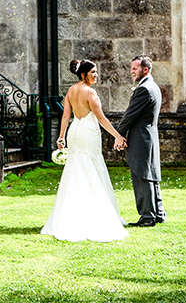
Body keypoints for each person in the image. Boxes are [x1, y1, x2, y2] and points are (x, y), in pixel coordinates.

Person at [41, 59, 128, 242]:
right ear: (83, 74)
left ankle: (71, 215)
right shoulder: (90, 93)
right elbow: (102, 119)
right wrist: (117, 135)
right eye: (93, 72)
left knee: (75, 170)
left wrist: (61, 136)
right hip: (88, 133)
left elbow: (66, 115)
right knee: (91, 169)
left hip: (74, 131)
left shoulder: (71, 91)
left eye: (96, 72)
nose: (96, 75)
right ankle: (94, 216)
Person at [115, 55, 167, 227]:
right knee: (151, 176)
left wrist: (118, 135)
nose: (131, 71)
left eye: (135, 68)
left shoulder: (144, 89)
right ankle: (158, 213)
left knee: (142, 175)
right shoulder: (153, 86)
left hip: (141, 138)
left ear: (145, 69)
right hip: (149, 136)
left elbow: (130, 115)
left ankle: (147, 216)